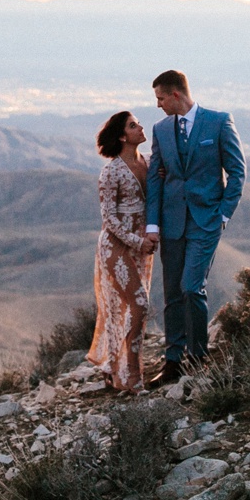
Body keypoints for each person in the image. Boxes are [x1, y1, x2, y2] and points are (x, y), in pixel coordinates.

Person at [144, 69, 246, 387]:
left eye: (160, 98)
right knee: (172, 293)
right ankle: (173, 361)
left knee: (192, 286)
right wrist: (152, 224)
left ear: (175, 94)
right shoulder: (161, 130)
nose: (158, 105)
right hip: (172, 222)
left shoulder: (218, 122)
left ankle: (198, 358)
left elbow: (237, 171)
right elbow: (155, 179)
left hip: (206, 221)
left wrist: (223, 214)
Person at [86, 110, 157, 393]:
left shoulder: (150, 163)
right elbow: (109, 220)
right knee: (136, 304)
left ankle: (115, 368)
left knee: (132, 309)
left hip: (141, 247)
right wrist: (137, 242)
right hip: (116, 247)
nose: (140, 128)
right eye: (133, 125)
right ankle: (130, 374)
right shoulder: (111, 172)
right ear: (121, 136)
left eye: (138, 123)